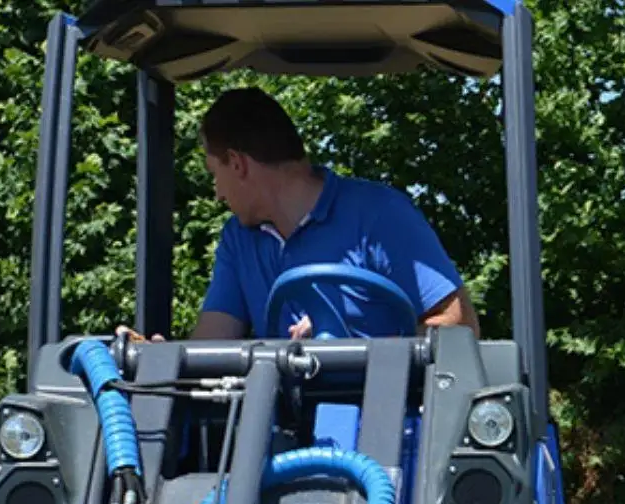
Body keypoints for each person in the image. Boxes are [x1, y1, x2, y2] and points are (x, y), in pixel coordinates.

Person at [185, 88, 479, 341]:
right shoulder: (238, 239)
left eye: (214, 174)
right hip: (276, 394)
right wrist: (166, 357)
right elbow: (212, 343)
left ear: (237, 163)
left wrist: (350, 345)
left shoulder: (380, 214)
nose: (217, 193)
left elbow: (459, 326)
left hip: (383, 392)